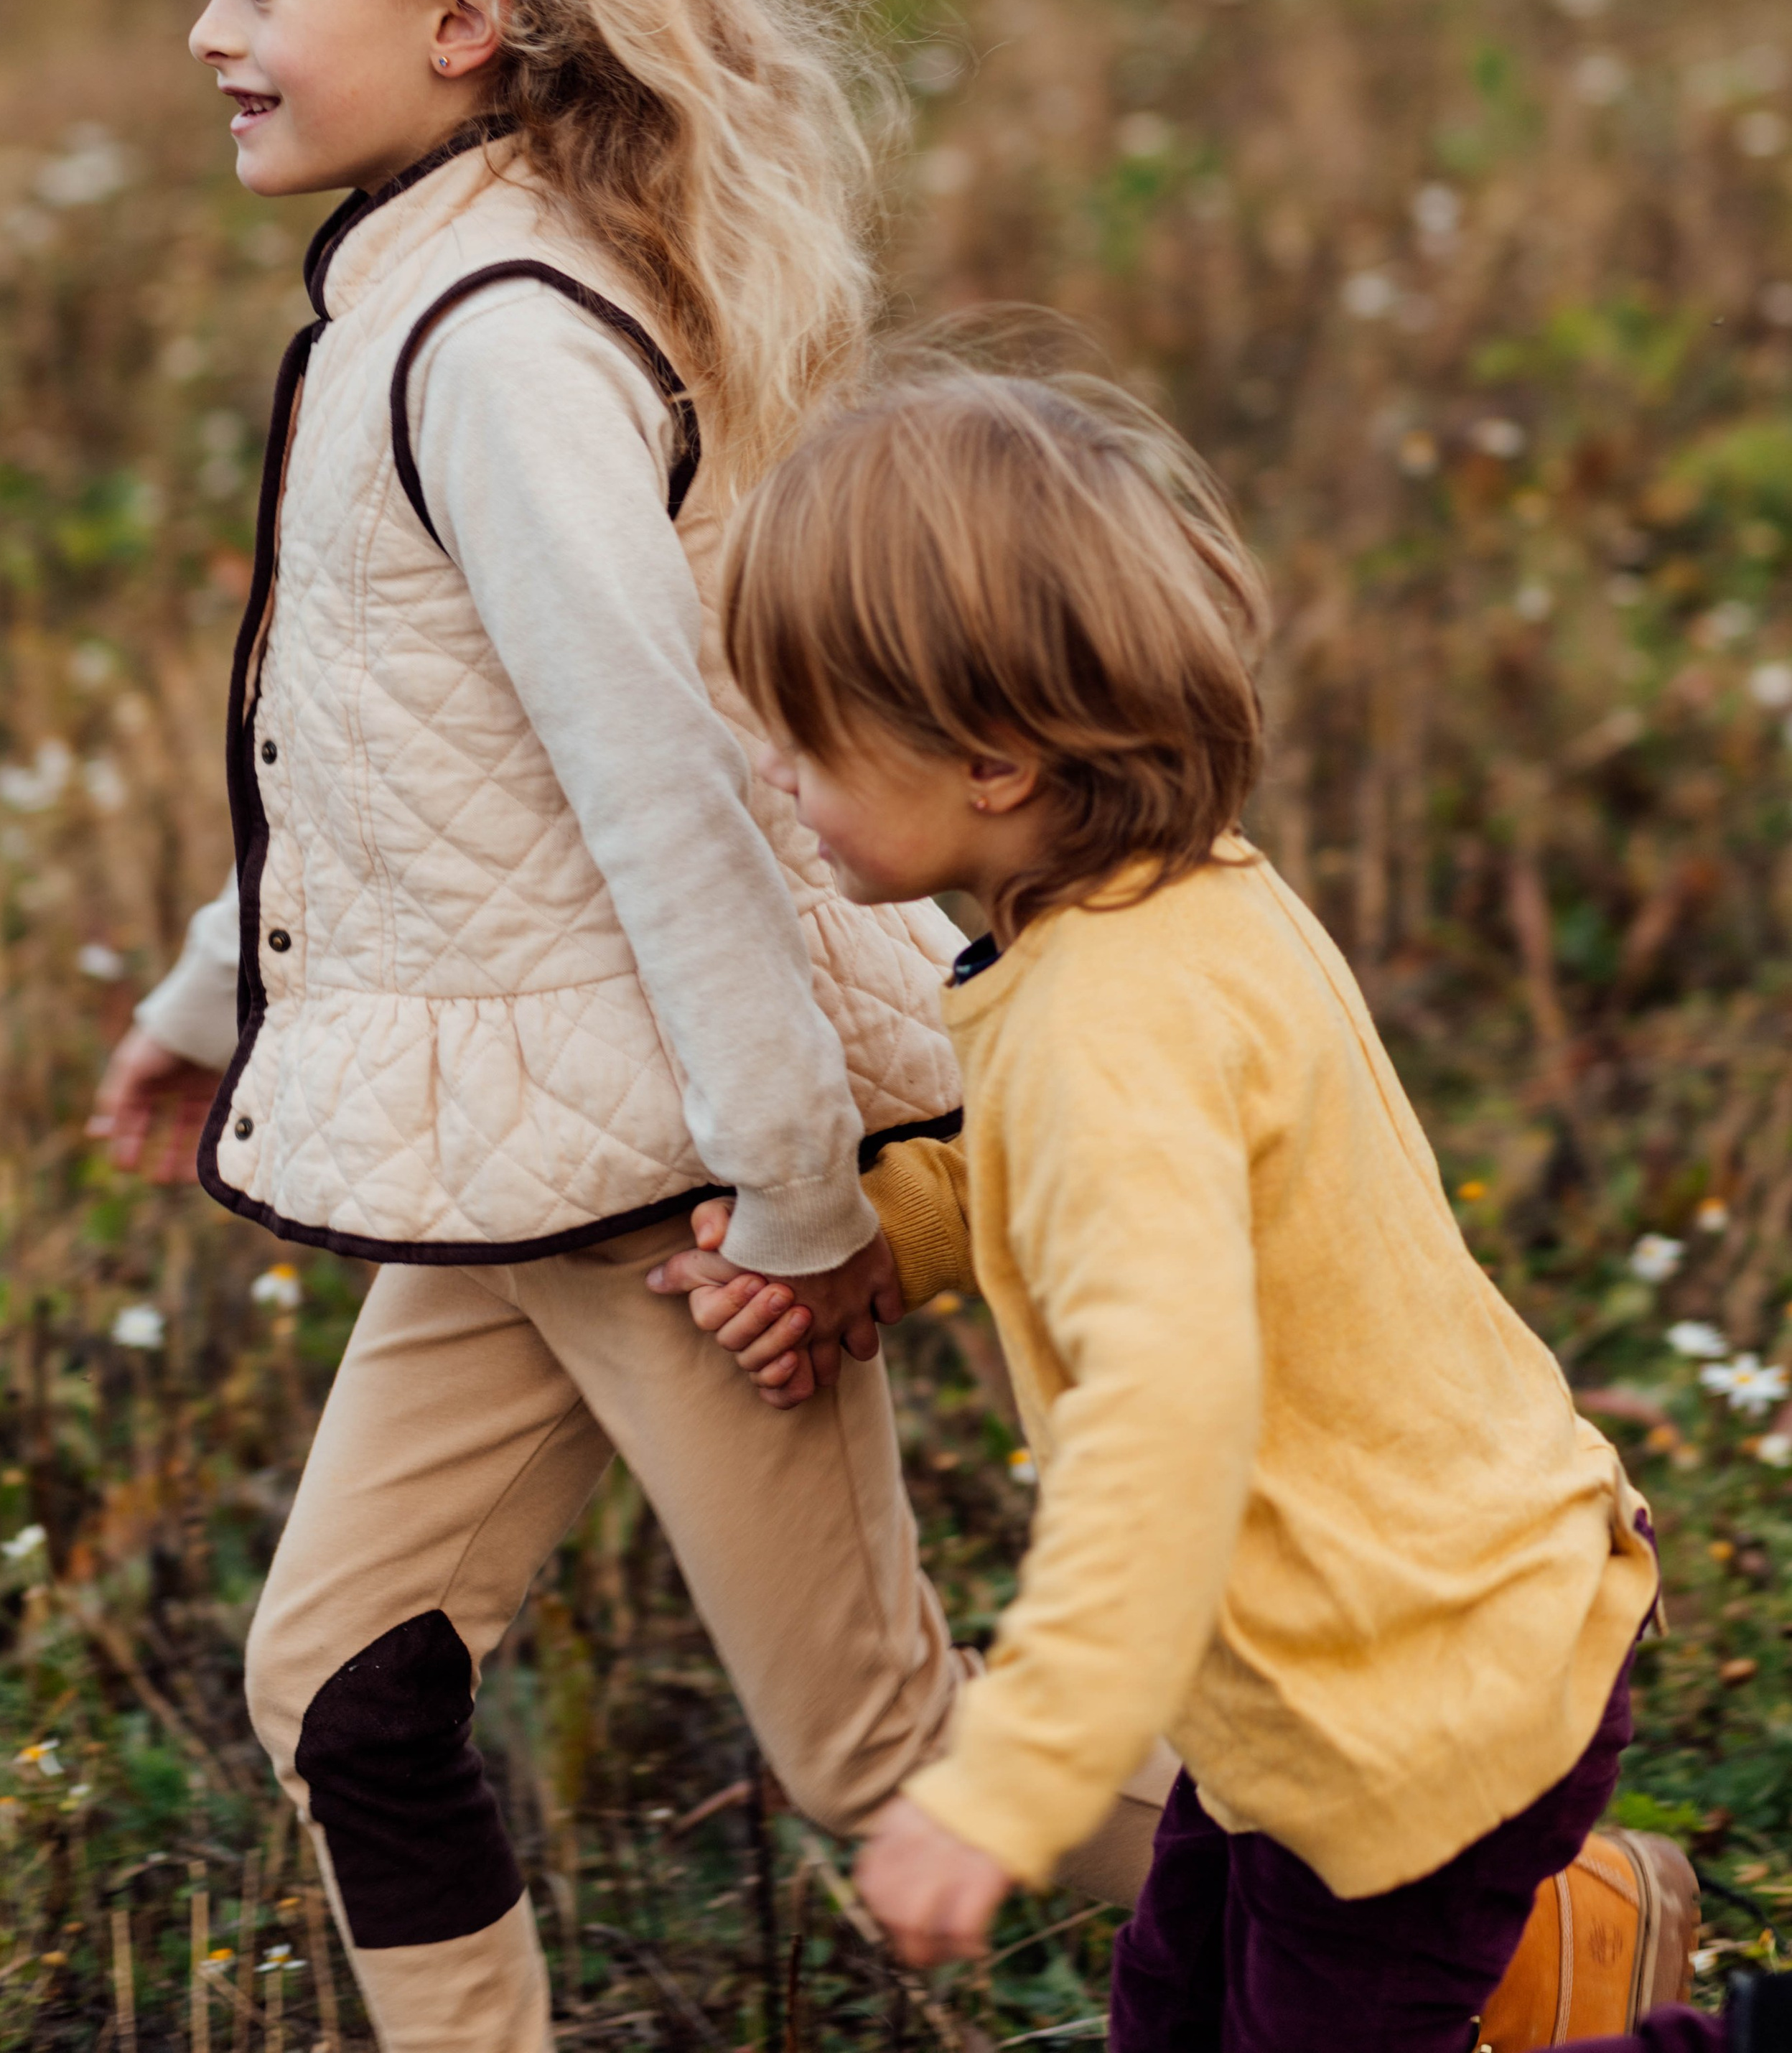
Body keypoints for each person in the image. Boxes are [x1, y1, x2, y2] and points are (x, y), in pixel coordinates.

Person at [85, 0, 1162, 2053]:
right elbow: (405, 781)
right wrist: (203, 998)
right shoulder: (435, 287)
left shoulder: (497, 341)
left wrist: (799, 1202)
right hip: (540, 1133)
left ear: (468, 16)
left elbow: (663, 791)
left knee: (886, 1745)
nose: (205, 31)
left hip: (680, 1170)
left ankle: (1504, 1926)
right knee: (343, 1677)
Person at [650, 367, 1788, 2053]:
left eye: (810, 735)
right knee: (1175, 2011)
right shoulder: (1161, 908)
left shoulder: (1111, 1020)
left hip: (1420, 1708)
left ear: (988, 757)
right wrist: (881, 1242)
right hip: (1350, 1673)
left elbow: (1162, 1426)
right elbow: (1080, 1176)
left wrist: (1009, 1781)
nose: (776, 768)